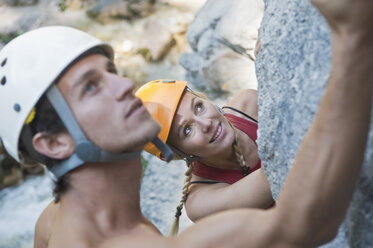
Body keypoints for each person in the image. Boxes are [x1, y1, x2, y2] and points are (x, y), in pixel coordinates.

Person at [0, 0, 372, 246]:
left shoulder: (51, 222)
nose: (127, 85)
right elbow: (304, 221)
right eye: (92, 88)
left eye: (111, 72)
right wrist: (354, 36)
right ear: (53, 144)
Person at [136, 80, 275, 235]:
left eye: (198, 107)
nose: (206, 123)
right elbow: (278, 173)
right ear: (176, 153)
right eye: (187, 130)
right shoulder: (200, 201)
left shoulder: (249, 105)